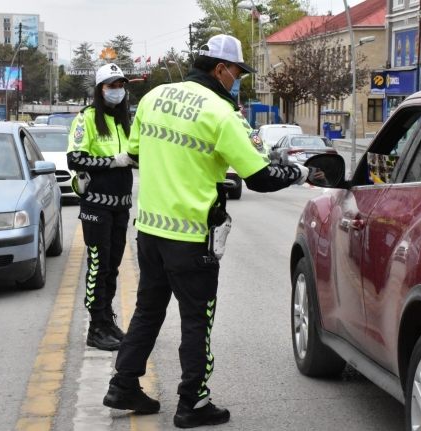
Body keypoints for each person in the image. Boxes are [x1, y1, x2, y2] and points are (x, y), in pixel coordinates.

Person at [102, 34, 320, 428]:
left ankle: (123, 385)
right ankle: (194, 403)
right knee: (196, 321)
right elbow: (261, 177)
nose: (238, 81)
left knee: (148, 312)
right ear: (220, 68)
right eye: (237, 73)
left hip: (149, 232)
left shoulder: (154, 97)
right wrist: (303, 171)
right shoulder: (220, 112)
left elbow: (134, 154)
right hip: (190, 239)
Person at [66, 63, 135, 351]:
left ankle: (107, 319)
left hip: (121, 204)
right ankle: (95, 327)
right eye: (111, 85)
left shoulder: (123, 121)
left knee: (113, 266)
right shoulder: (87, 119)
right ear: (99, 89)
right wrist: (112, 162)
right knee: (98, 265)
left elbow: (134, 154)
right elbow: (75, 159)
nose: (117, 90)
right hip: (96, 204)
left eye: (120, 85)